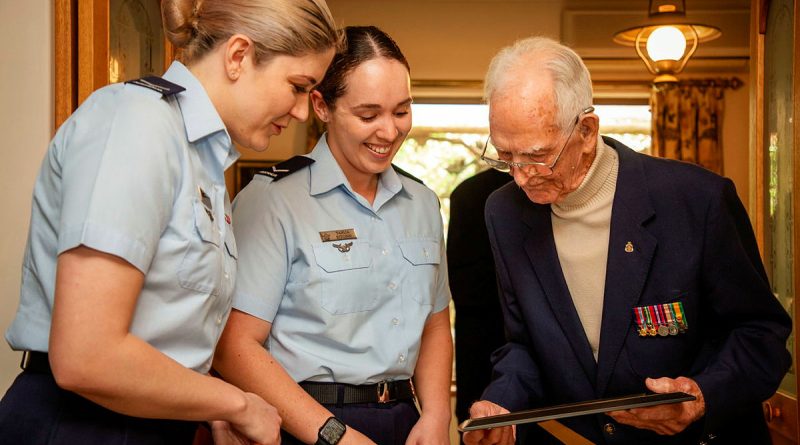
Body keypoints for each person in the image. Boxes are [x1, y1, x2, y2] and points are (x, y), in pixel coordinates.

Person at [0, 1, 339, 444]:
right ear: (238, 56)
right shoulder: (138, 123)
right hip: (85, 426)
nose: (301, 112)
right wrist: (233, 402)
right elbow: (87, 355)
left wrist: (203, 405)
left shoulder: (200, 155)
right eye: (298, 86)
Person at [463, 36, 791, 444]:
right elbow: (524, 344)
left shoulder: (696, 200)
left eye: (536, 156)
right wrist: (501, 405)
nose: (520, 175)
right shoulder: (505, 213)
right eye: (504, 155)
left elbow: (762, 335)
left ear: (586, 130)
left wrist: (701, 398)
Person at [213, 26, 453, 445]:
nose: (389, 131)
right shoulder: (274, 200)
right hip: (307, 422)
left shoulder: (422, 202)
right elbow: (234, 345)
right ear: (322, 106)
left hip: (404, 419)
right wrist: (333, 434)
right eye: (368, 115)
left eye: (401, 111)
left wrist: (435, 414)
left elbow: (434, 322)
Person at [447, 168, 510, 425]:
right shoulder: (467, 194)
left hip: (477, 339)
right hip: (481, 339)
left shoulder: (465, 193)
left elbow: (458, 281)